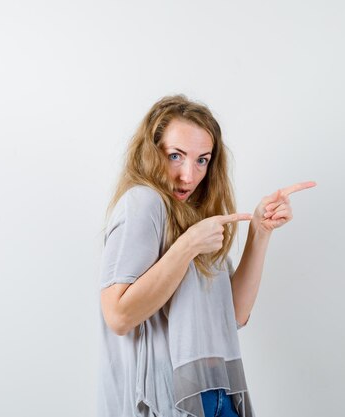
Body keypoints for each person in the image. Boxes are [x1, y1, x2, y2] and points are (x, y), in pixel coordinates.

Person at [98, 94, 315, 417]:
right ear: (150, 152)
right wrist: (188, 245)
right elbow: (118, 316)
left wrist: (259, 231)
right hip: (170, 400)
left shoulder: (195, 216)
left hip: (217, 395)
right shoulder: (143, 203)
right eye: (175, 156)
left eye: (202, 160)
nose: (189, 175)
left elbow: (235, 315)